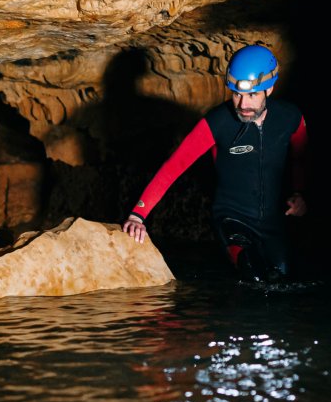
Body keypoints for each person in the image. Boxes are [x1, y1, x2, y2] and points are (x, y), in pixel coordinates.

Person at [121, 44, 308, 282]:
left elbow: (301, 159)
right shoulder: (217, 122)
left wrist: (300, 194)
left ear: (269, 89)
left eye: (252, 95)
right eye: (237, 94)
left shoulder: (290, 117)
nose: (243, 105)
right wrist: (138, 215)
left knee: (286, 280)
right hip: (233, 219)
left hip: (274, 221)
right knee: (253, 276)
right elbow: (174, 167)